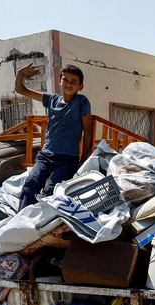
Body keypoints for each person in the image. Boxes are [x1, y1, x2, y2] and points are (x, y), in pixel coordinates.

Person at [15, 63, 93, 210]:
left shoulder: (81, 102)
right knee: (29, 186)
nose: (69, 84)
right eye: (65, 80)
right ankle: (21, 221)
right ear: (59, 81)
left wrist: (83, 159)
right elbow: (21, 90)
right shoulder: (52, 100)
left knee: (51, 192)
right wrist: (20, 75)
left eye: (74, 82)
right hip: (45, 156)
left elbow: (87, 131)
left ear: (80, 86)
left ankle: (43, 226)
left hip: (67, 159)